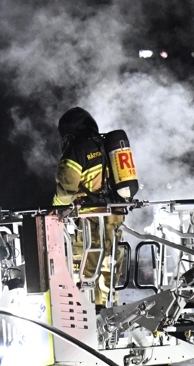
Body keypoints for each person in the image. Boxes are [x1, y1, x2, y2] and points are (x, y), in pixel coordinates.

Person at [51, 107, 124, 308]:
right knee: (110, 273)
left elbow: (65, 193)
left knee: (85, 276)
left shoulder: (76, 151)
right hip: (114, 219)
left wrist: (55, 212)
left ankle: (88, 316)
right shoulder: (107, 146)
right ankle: (110, 315)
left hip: (89, 224)